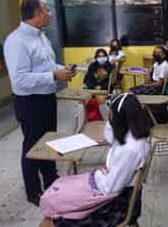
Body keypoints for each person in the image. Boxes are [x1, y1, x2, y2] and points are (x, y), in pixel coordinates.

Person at [4, 0, 76, 206]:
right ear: (37, 14)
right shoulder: (17, 41)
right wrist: (54, 76)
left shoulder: (41, 37)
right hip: (30, 103)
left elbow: (48, 64)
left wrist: (60, 70)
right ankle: (33, 191)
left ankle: (51, 181)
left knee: (49, 141)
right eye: (47, 9)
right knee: (33, 147)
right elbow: (20, 79)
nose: (50, 14)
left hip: (46, 98)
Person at [39, 93, 152, 227]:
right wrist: (112, 117)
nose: (109, 118)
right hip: (111, 189)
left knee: (49, 219)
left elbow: (111, 188)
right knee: (60, 195)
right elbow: (109, 137)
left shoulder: (130, 150)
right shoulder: (130, 133)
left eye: (110, 115)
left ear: (119, 118)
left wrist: (90, 183)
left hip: (117, 202)